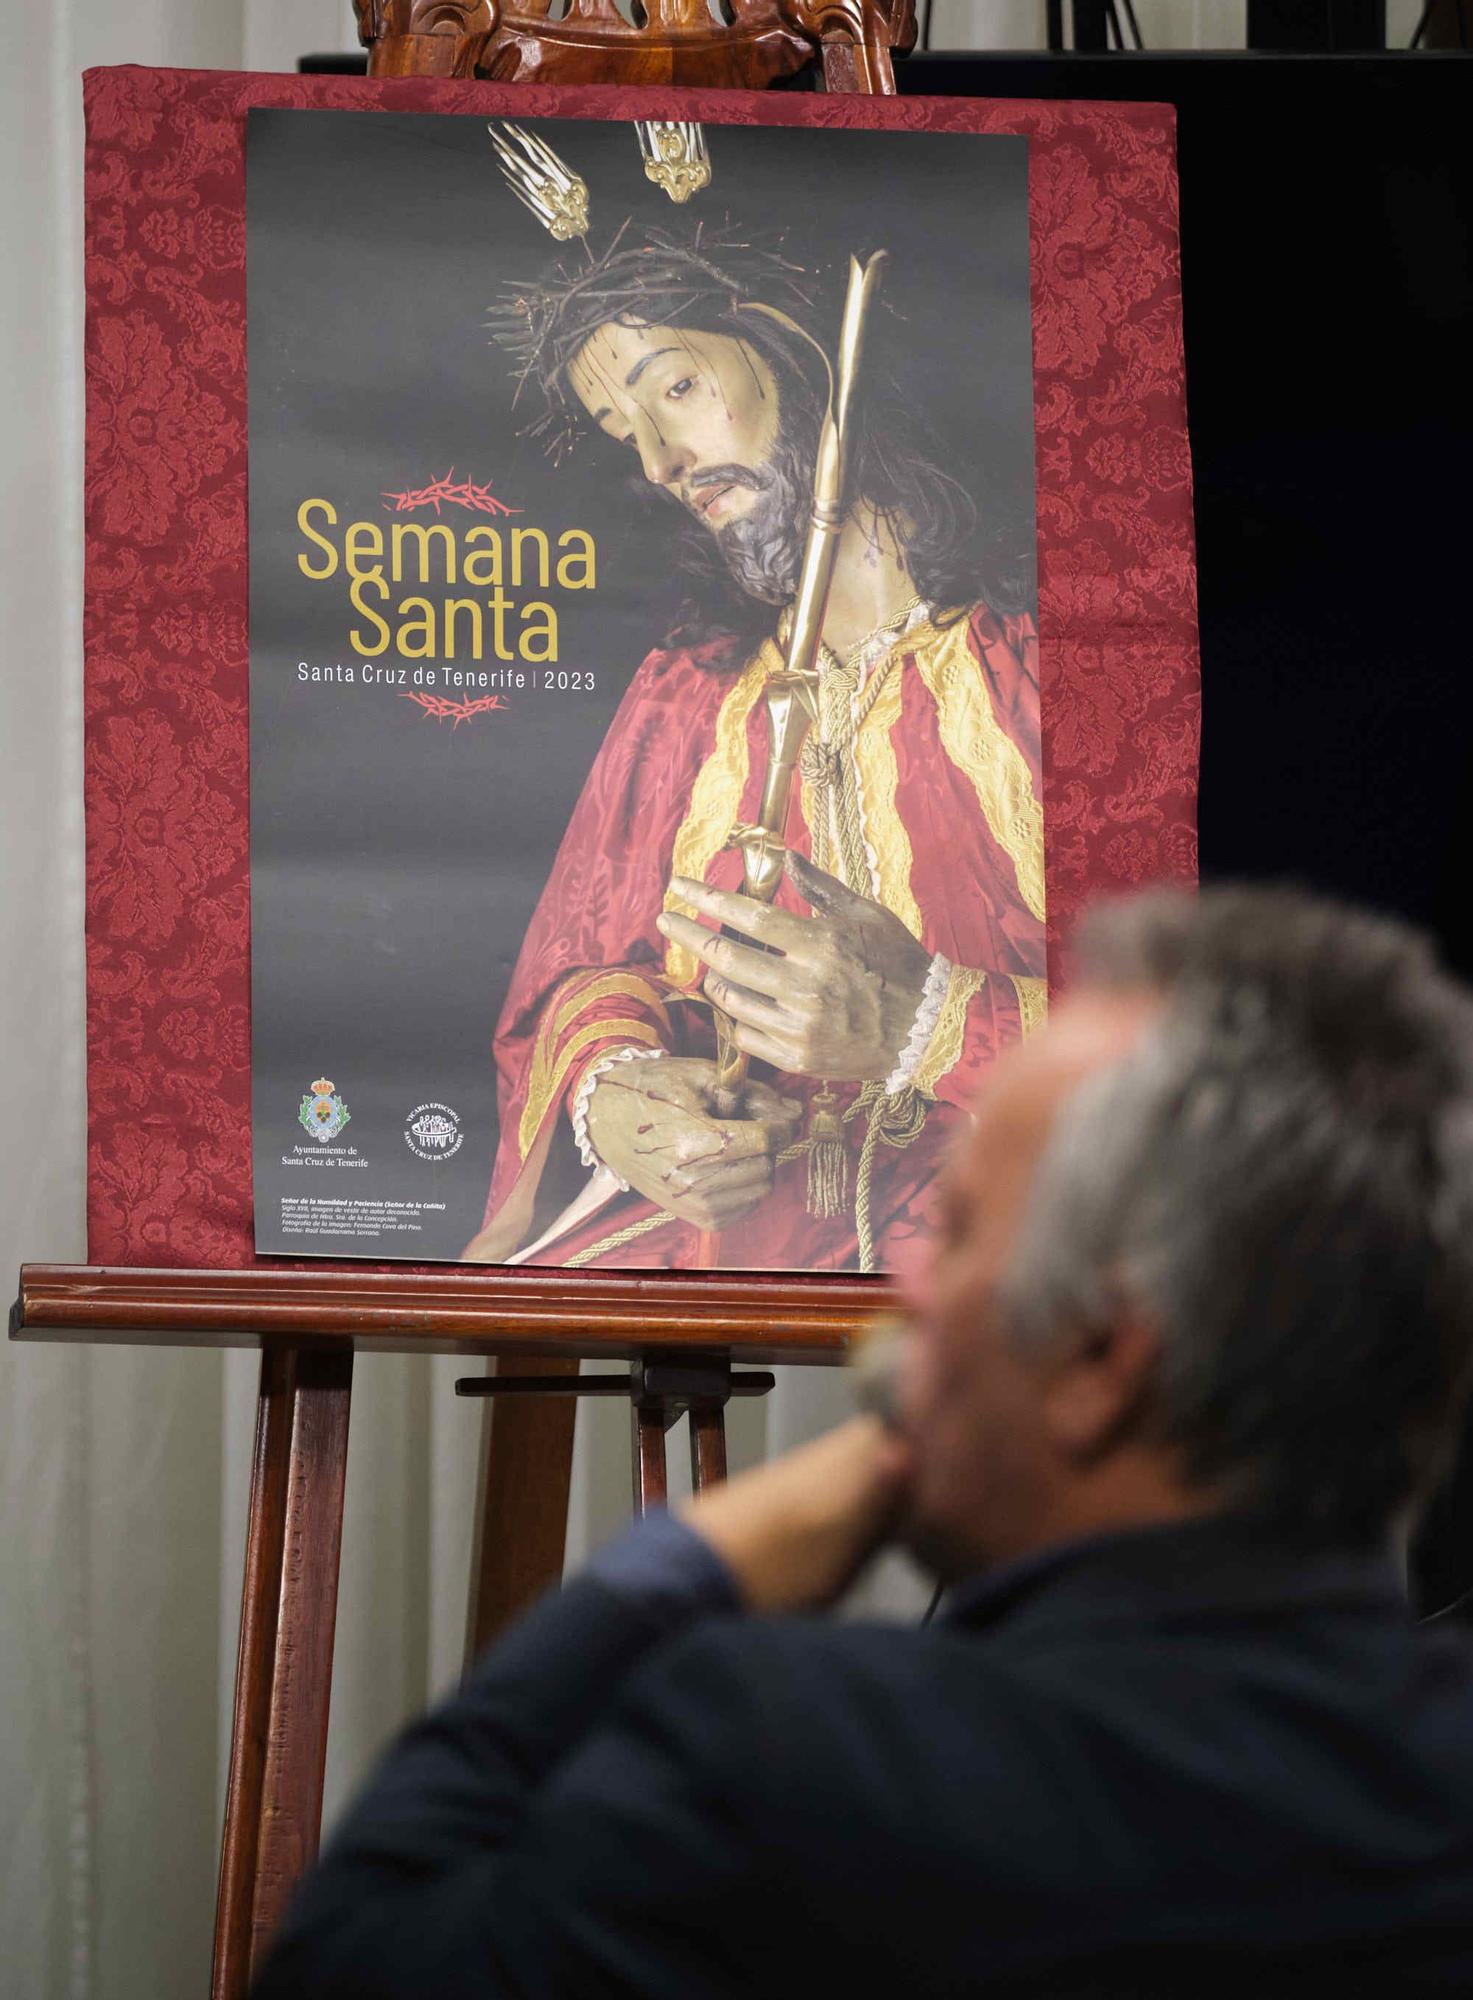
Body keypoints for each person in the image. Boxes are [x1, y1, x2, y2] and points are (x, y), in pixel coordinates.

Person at [256, 885, 1473, 1997]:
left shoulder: (786, 1765)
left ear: (1103, 1360)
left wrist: (678, 1567)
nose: (906, 1284)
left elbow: (350, 1961)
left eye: (955, 1227)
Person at [463, 227, 1045, 1271]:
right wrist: (627, 1095)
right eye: (621, 429)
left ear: (794, 349)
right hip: (737, 1226)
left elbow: (1204, 1033)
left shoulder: (1040, 658)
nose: (658, 461)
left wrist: (929, 1023)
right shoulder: (692, 690)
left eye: (675, 387)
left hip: (1018, 1223)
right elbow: (583, 971)